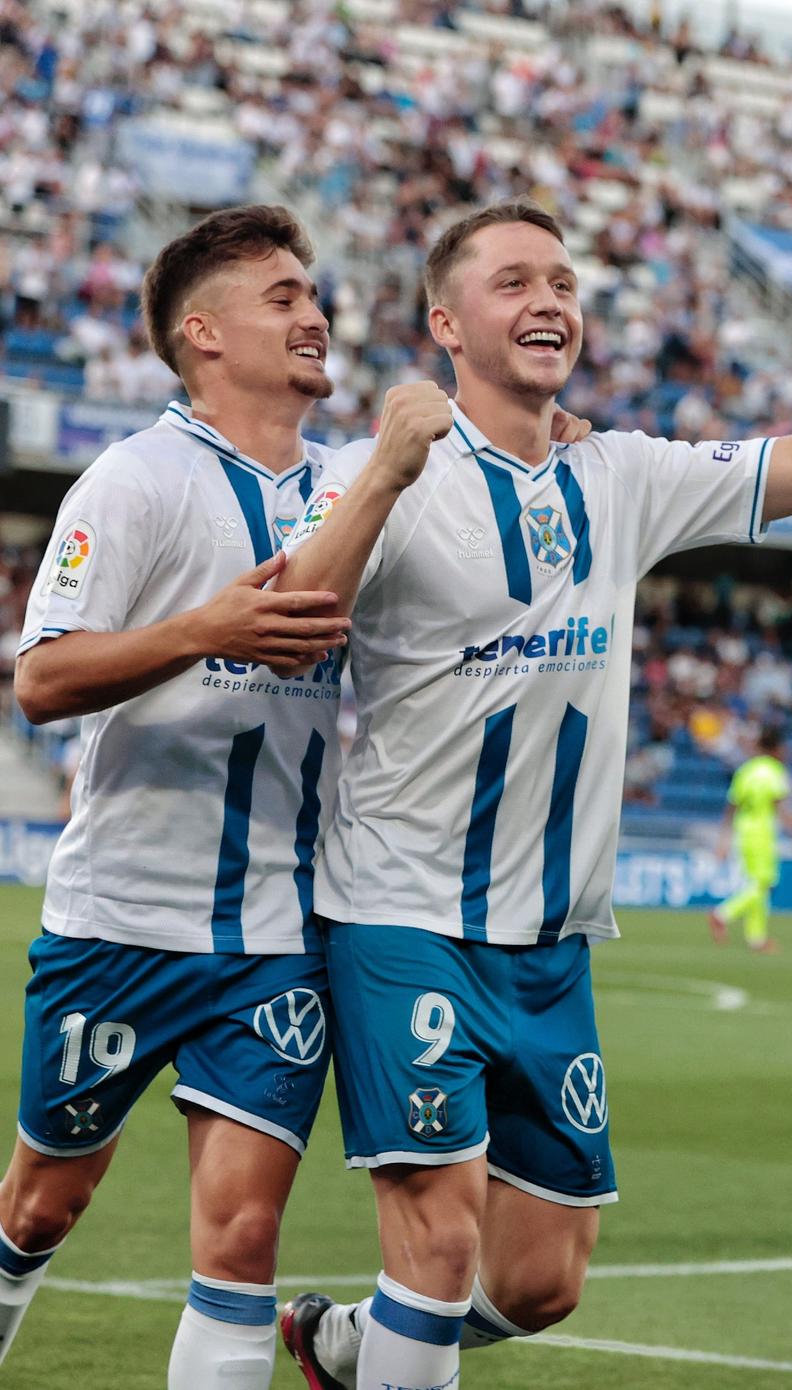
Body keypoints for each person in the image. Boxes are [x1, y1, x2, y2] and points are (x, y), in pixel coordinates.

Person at [269, 197, 792, 1390]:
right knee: (443, 1239)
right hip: (405, 913)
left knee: (541, 1282)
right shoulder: (374, 469)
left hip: (551, 942)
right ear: (445, 324)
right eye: (513, 282)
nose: (549, 299)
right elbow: (289, 626)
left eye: (561, 281)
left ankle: (349, 1346)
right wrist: (387, 473)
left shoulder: (622, 473)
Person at [0, 205, 352, 1384]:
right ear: (202, 333)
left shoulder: (350, 494)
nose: (314, 314)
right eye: (283, 297)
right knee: (44, 1203)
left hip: (274, 933)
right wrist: (207, 629)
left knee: (244, 1238)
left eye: (314, 294)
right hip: (120, 921)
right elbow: (42, 677)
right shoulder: (134, 478)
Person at [711, 727, 792, 952]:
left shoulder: (745, 770)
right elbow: (779, 806)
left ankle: (756, 939)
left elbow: (731, 807)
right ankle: (723, 913)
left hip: (743, 832)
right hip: (763, 834)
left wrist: (724, 840)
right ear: (776, 749)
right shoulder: (775, 771)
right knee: (762, 885)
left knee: (756, 885)